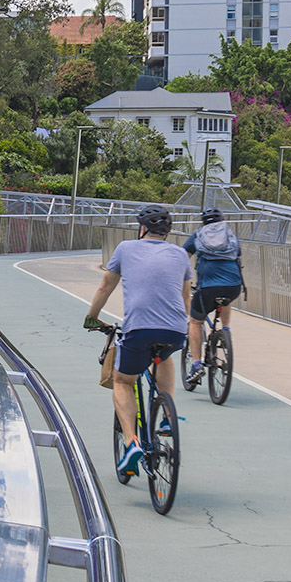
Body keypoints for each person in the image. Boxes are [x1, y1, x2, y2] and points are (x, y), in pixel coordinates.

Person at [83, 203, 193, 478]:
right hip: (175, 330)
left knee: (123, 381)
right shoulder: (180, 254)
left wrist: (92, 318)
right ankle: (167, 415)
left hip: (139, 329)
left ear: (142, 228)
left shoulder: (125, 248)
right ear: (167, 232)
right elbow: (185, 297)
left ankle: (132, 443)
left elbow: (105, 286)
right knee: (163, 357)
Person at [183, 208, 244, 384]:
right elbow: (238, 254)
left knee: (195, 322)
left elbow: (182, 257)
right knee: (225, 299)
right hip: (233, 286)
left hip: (207, 287)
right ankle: (226, 331)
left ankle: (196, 365)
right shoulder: (230, 236)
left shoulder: (198, 235)